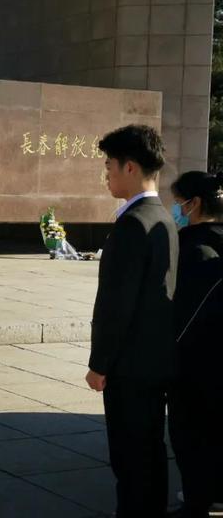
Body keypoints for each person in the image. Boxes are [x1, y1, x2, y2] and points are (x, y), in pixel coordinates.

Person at [85, 124, 178, 517]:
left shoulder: (132, 225)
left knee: (129, 456)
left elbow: (115, 305)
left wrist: (99, 364)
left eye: (109, 165)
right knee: (149, 450)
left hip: (129, 366)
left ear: (130, 167)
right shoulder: (164, 218)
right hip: (155, 362)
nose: (105, 174)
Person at [167, 171, 223, 518]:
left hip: (196, 364)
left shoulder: (194, 250)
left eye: (177, 203)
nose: (175, 210)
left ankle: (197, 502)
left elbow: (184, 317)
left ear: (194, 204)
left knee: (191, 436)